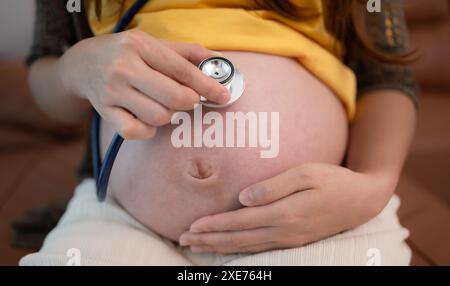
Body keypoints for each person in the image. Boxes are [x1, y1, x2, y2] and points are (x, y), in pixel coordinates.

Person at [20, 0, 418, 265]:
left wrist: (373, 186)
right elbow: (48, 74)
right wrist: (77, 68)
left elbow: (386, 75)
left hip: (313, 215)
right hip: (123, 214)